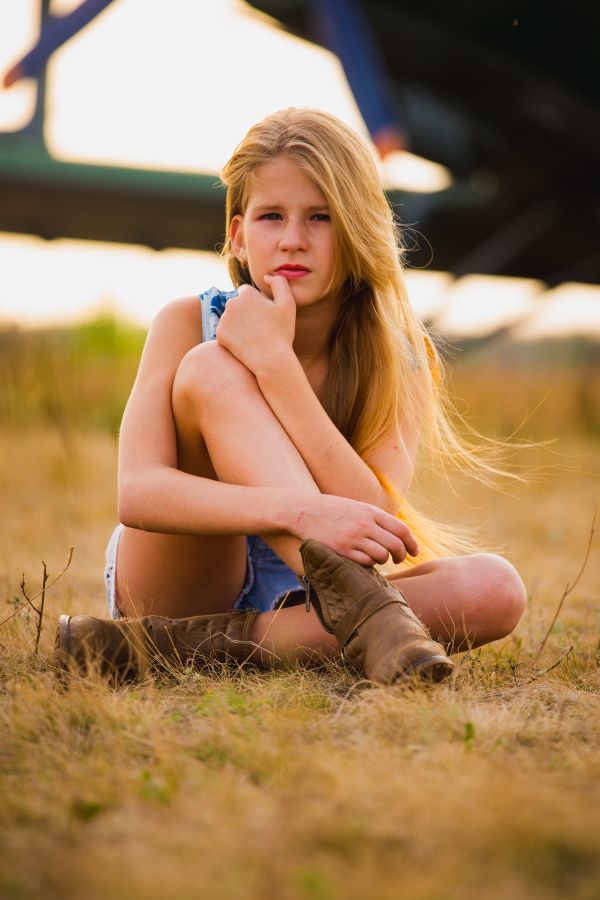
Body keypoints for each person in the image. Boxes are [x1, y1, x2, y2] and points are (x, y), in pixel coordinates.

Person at [54, 108, 527, 685]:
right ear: (238, 234)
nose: (293, 240)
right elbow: (139, 494)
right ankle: (360, 621)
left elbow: (372, 523)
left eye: (322, 218)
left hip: (305, 602)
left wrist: (279, 369)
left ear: (355, 228)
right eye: (271, 216)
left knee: (496, 588)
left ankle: (163, 648)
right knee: (211, 370)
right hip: (178, 577)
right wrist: (294, 511)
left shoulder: (396, 354)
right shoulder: (186, 323)